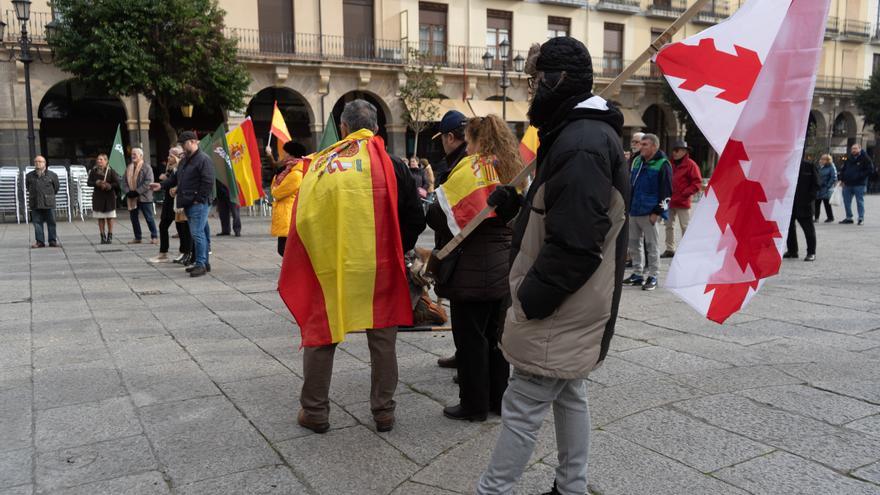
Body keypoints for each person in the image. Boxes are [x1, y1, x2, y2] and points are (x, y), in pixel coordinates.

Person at [476, 37, 629, 495]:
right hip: (575, 300)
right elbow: (556, 215)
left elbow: (577, 243)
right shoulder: (574, 134)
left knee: (523, 404)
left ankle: (493, 490)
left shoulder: (581, 143)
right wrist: (514, 210)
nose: (530, 90)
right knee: (570, 392)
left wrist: (530, 300)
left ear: (555, 81)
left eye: (534, 80)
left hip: (563, 302)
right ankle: (572, 485)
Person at [295, 99, 425, 435]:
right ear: (378, 128)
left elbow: (306, 217)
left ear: (343, 128)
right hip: (381, 266)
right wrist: (399, 248)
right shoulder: (395, 165)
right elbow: (415, 216)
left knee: (323, 334)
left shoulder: (322, 163)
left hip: (335, 266)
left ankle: (315, 411)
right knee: (383, 339)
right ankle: (383, 412)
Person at [426, 114, 523, 422]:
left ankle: (473, 405)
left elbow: (438, 216)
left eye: (468, 141)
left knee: (470, 341)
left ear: (478, 140)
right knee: (497, 340)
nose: (465, 148)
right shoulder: (513, 169)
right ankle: (498, 400)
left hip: (471, 267)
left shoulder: (471, 169)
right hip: (503, 265)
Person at [431, 109, 469, 371]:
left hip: (460, 249)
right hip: (466, 248)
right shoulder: (473, 160)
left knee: (466, 310)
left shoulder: (460, 165)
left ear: (451, 137)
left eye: (442, 138)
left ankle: (469, 363)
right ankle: (464, 355)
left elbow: (444, 213)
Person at [152, 131, 214, 277]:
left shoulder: (204, 159)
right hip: (188, 202)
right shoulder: (185, 160)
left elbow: (208, 181)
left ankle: (200, 264)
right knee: (201, 233)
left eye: (183, 143)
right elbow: (176, 179)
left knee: (197, 233)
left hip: (198, 203)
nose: (182, 147)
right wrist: (161, 186)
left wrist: (199, 199)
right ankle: (204, 263)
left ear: (193, 142)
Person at [622, 133, 672, 291]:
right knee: (634, 244)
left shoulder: (663, 164)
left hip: (650, 212)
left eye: (644, 144)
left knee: (652, 245)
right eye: (640, 144)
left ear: (654, 146)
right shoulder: (637, 160)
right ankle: (637, 274)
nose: (640, 147)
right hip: (634, 209)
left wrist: (657, 212)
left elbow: (667, 191)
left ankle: (653, 276)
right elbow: (630, 184)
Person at [661, 140, 703, 258]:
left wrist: (684, 193)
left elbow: (697, 183)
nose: (674, 152)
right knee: (668, 226)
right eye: (673, 150)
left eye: (677, 150)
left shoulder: (691, 165)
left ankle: (686, 249)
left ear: (684, 151)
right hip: (669, 201)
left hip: (683, 201)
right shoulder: (669, 163)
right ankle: (670, 249)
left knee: (685, 226)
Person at [150, 147, 191, 263]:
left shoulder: (180, 167)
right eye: (168, 155)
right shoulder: (170, 168)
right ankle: (164, 253)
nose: (168, 158)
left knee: (182, 228)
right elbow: (171, 181)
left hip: (177, 201)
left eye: (171, 156)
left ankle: (184, 252)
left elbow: (180, 181)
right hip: (169, 201)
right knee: (163, 226)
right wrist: (162, 183)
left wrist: (167, 181)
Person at [271, 141, 306, 256]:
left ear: (291, 155)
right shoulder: (288, 171)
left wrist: (276, 179)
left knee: (285, 250)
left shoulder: (295, 175)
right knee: (284, 250)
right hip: (286, 215)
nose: (283, 155)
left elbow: (276, 192)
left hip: (289, 215)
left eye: (285, 153)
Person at [784, 159, 819, 261]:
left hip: (805, 203)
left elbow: (816, 184)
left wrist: (809, 199)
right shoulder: (786, 165)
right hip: (789, 203)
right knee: (789, 229)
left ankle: (811, 252)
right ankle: (792, 250)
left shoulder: (809, 166)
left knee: (808, 229)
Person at [122, 148, 158, 244]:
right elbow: (124, 181)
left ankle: (154, 236)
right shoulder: (129, 167)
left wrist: (137, 192)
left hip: (144, 197)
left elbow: (148, 182)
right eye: (132, 154)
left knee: (149, 217)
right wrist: (128, 192)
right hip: (132, 198)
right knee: (134, 218)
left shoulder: (147, 167)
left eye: (135, 154)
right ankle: (138, 237)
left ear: (141, 156)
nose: (133, 156)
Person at [26, 156, 60, 248]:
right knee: (37, 223)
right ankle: (40, 241)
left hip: (48, 202)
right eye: (36, 161)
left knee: (51, 222)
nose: (38, 163)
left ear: (45, 163)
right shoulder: (29, 175)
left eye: (40, 161)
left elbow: (56, 188)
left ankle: (52, 241)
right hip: (35, 202)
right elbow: (28, 187)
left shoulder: (52, 175)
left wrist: (48, 195)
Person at [87, 153, 120, 244]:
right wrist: (96, 183)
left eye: (101, 159)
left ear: (106, 161)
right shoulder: (93, 171)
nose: (99, 161)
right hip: (98, 197)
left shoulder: (111, 171)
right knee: (100, 218)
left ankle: (110, 235)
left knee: (110, 217)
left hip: (109, 197)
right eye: (98, 159)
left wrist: (109, 185)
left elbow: (117, 183)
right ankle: (102, 236)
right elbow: (89, 183)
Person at [839, 143, 874, 225]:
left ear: (860, 149)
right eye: (852, 149)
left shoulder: (865, 158)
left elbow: (870, 169)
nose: (853, 150)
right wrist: (841, 179)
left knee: (859, 201)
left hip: (859, 184)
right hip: (847, 184)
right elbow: (843, 169)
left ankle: (861, 218)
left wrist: (860, 176)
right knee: (846, 201)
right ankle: (849, 217)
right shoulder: (848, 158)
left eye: (855, 148)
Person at [814, 153, 837, 223]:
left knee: (826, 203)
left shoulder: (831, 167)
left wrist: (828, 185)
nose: (821, 160)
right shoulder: (818, 166)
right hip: (818, 188)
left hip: (825, 188)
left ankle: (830, 217)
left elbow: (833, 177)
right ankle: (816, 218)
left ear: (828, 160)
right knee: (816, 203)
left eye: (823, 159)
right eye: (821, 159)